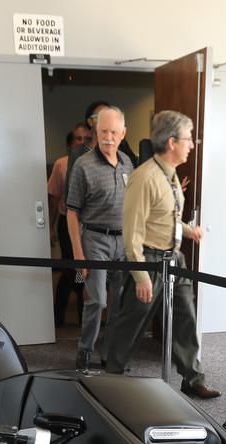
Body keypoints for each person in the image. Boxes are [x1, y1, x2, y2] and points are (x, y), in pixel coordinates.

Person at [106, 110, 221, 399]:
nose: (192, 145)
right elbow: (132, 231)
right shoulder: (143, 178)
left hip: (174, 259)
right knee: (133, 321)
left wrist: (187, 229)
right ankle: (111, 377)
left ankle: (192, 378)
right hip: (148, 260)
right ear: (172, 142)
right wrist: (141, 276)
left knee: (186, 318)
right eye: (188, 139)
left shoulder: (169, 176)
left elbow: (163, 217)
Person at [66, 107, 133, 369]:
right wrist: (78, 253)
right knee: (98, 300)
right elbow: (72, 213)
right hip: (94, 239)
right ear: (96, 131)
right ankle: (85, 351)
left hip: (123, 241)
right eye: (103, 131)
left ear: (123, 133)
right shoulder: (84, 165)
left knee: (118, 302)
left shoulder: (128, 162)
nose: (108, 137)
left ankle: (110, 355)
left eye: (114, 132)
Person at [49, 122, 92, 327]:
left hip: (89, 228)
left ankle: (82, 318)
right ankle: (59, 317)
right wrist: (49, 226)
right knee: (73, 270)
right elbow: (53, 198)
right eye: (78, 138)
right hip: (67, 226)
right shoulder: (61, 164)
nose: (82, 142)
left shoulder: (95, 164)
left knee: (80, 272)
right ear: (70, 143)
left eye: (86, 138)